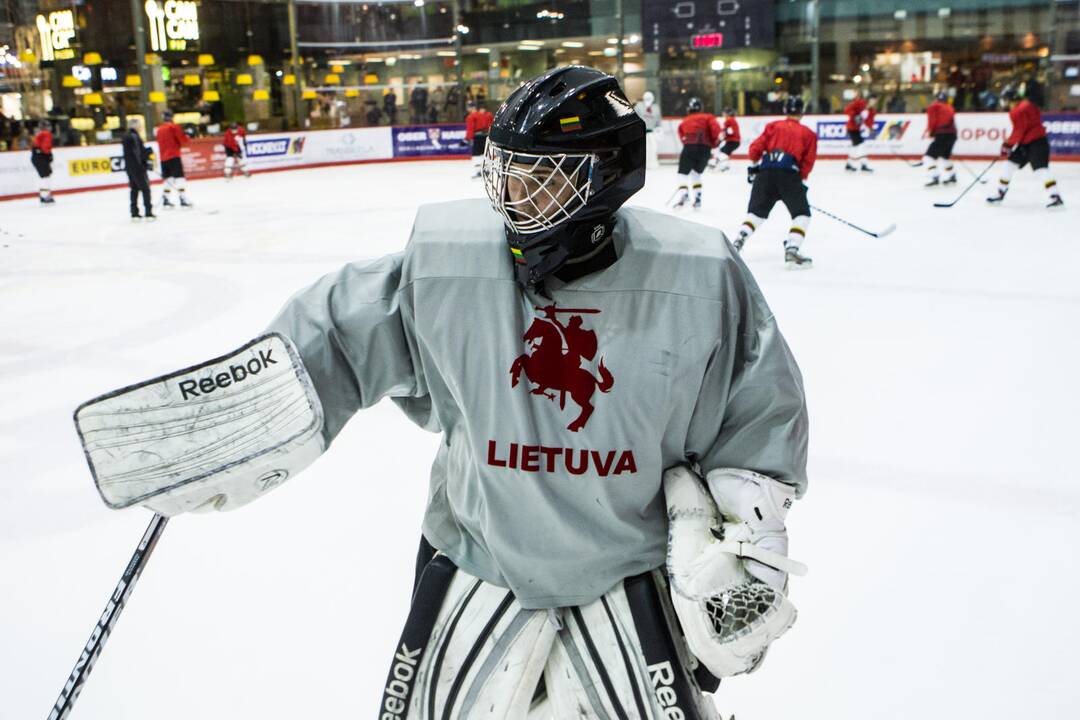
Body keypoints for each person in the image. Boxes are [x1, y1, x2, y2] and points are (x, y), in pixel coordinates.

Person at [79, 67, 808, 718]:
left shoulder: (699, 276)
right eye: (505, 175)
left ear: (607, 175)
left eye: (541, 179)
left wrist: (752, 534)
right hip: (477, 560)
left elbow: (757, 401)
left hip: (630, 571)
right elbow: (341, 328)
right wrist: (239, 423)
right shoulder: (449, 263)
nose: (513, 200)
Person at [733, 95, 817, 269]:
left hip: (765, 174)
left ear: (785, 110)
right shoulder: (808, 134)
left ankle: (739, 241)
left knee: (756, 214)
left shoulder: (773, 126)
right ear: (802, 112)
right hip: (789, 175)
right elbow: (807, 162)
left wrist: (756, 166)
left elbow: (755, 149)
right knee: (802, 214)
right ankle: (792, 250)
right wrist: (798, 181)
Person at [987, 85, 1063, 209]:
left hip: (1036, 144)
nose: (1004, 102)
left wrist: (1007, 145)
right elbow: (1025, 128)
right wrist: (1010, 145)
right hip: (1028, 143)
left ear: (1011, 99)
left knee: (1040, 170)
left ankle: (1055, 196)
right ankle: (1000, 192)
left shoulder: (1017, 111)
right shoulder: (1028, 104)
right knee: (1009, 165)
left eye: (1005, 99)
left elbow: (1019, 130)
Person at [672, 97, 720, 210]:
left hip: (689, 147)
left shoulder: (685, 121)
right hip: (705, 149)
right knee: (696, 173)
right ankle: (698, 198)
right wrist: (712, 145)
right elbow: (716, 132)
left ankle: (684, 195)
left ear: (689, 108)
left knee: (682, 174)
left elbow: (682, 136)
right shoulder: (709, 117)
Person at [155, 110, 192, 208]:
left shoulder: (159, 129)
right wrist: (188, 135)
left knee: (169, 179)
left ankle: (166, 199)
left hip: (163, 158)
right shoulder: (173, 127)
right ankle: (183, 199)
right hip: (174, 156)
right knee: (179, 178)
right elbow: (183, 140)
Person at [923, 91, 958, 187]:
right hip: (952, 135)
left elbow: (932, 121)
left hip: (942, 134)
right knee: (944, 156)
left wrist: (931, 133)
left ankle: (935, 177)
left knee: (928, 157)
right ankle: (952, 175)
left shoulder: (934, 107)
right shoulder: (950, 107)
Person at [122, 120, 155, 221]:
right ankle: (148, 212)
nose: (141, 127)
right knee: (145, 189)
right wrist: (145, 160)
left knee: (134, 189)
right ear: (135, 126)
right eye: (140, 125)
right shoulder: (134, 136)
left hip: (130, 167)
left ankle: (134, 213)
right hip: (138, 168)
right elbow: (137, 153)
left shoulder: (126, 136)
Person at [843, 92, 876, 172]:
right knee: (861, 145)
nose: (873, 102)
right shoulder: (859, 103)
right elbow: (847, 109)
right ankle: (863, 165)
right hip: (851, 128)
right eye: (872, 100)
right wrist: (854, 115)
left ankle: (849, 164)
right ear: (868, 99)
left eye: (875, 101)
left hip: (857, 130)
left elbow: (869, 121)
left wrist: (871, 129)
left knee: (855, 147)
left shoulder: (871, 111)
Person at [464, 100, 494, 179]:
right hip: (486, 137)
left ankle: (478, 171)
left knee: (476, 155)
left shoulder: (471, 116)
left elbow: (470, 128)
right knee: (486, 153)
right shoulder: (488, 115)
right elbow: (491, 126)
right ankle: (487, 170)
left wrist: (467, 138)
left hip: (477, 138)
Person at [634, 90, 662, 169]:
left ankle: (652, 164)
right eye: (646, 98)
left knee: (653, 149)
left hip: (652, 132)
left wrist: (659, 130)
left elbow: (658, 121)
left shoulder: (656, 108)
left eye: (649, 98)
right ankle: (642, 165)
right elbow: (635, 119)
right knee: (642, 150)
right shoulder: (638, 106)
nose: (648, 99)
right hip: (641, 132)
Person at [30, 120, 55, 205]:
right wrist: (48, 155)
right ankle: (45, 196)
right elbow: (45, 147)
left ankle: (44, 195)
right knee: (46, 176)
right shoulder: (46, 134)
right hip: (40, 157)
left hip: (37, 156)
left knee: (45, 175)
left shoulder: (39, 134)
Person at [711, 108, 740, 172]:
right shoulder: (732, 120)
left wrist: (719, 140)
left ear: (727, 113)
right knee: (724, 152)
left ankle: (720, 165)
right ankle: (723, 165)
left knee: (723, 152)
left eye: (724, 113)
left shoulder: (729, 120)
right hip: (734, 141)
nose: (723, 114)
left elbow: (729, 131)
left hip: (732, 141)